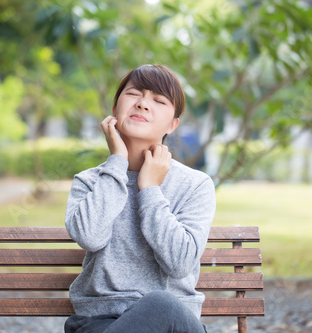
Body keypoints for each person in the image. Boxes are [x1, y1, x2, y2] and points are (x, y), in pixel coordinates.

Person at [64, 64, 216, 333]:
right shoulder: (90, 181)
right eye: (134, 94)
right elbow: (90, 236)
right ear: (115, 110)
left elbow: (179, 264)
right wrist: (117, 164)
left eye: (158, 100)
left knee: (160, 304)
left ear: (172, 124)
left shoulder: (195, 185)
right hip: (101, 322)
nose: (143, 104)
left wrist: (150, 190)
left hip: (174, 325)